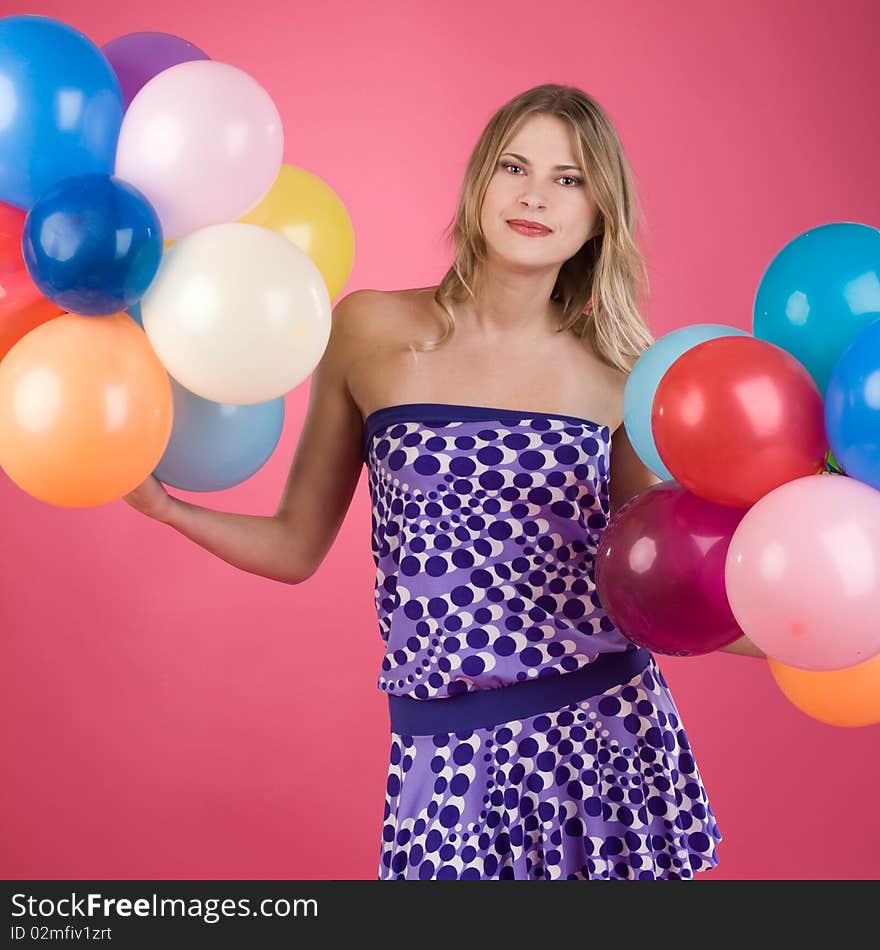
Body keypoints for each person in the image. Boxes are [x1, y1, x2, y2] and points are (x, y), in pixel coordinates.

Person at [123, 83, 766, 881]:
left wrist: (803, 628)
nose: (535, 196)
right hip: (439, 761)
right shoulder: (367, 331)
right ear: (478, 185)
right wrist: (162, 505)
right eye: (514, 167)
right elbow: (295, 546)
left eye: (570, 180)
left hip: (597, 741)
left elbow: (652, 593)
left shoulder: (622, 377)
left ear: (600, 214)